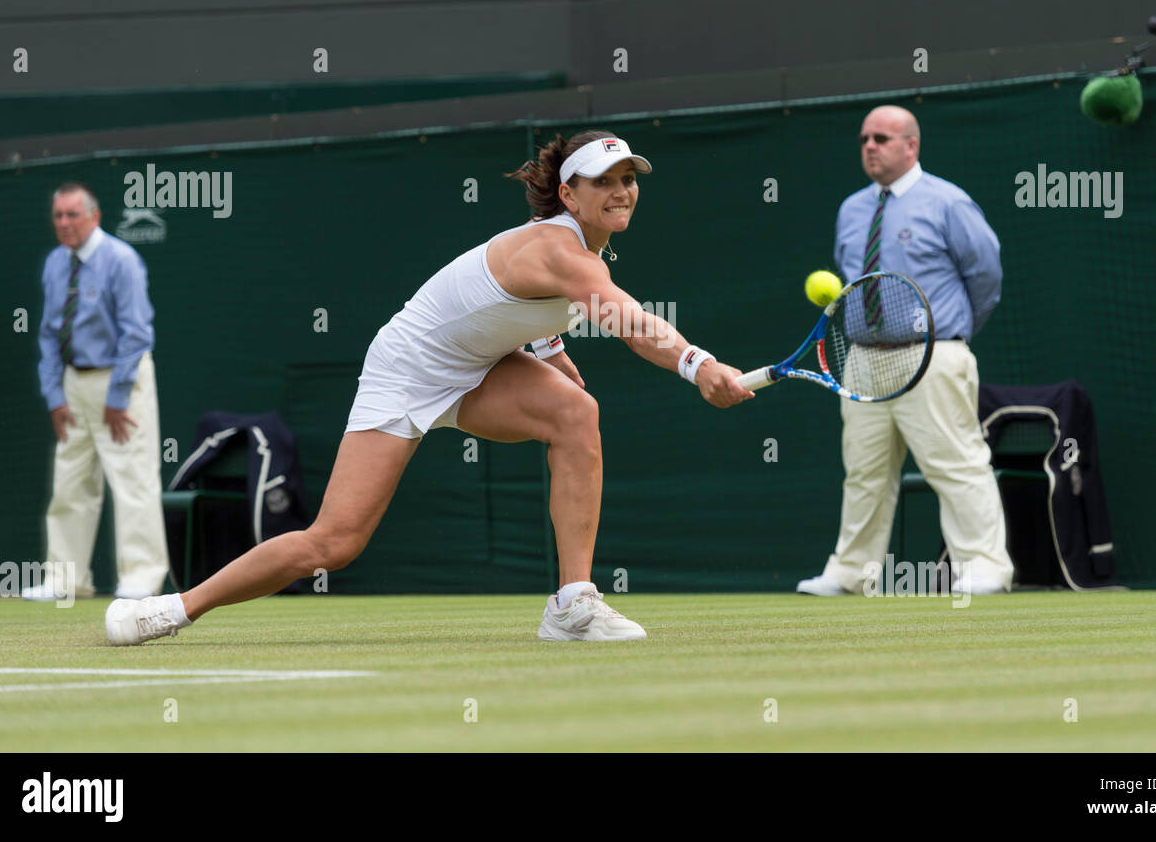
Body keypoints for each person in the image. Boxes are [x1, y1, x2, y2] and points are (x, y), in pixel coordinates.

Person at [107, 131, 753, 645]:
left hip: (479, 364)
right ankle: (174, 608)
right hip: (407, 368)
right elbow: (624, 318)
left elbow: (516, 301)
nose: (621, 191)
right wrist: (700, 365)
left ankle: (573, 604)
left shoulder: (582, 250)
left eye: (628, 179)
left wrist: (549, 348)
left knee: (576, 414)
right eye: (604, 181)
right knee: (334, 543)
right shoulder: (564, 252)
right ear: (569, 193)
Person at [796, 106, 1014, 596]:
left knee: (955, 463)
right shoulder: (851, 209)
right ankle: (852, 574)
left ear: (911, 145)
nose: (870, 146)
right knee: (865, 472)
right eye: (864, 139)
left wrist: (949, 337)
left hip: (932, 356)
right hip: (863, 361)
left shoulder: (948, 203)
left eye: (883, 138)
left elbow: (987, 278)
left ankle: (985, 567)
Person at [27, 183, 170, 602]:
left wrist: (118, 396)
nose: (65, 223)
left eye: (73, 214)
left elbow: (137, 332)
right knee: (70, 482)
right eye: (58, 216)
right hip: (74, 383)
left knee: (133, 478)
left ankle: (142, 578)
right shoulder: (55, 264)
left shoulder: (122, 260)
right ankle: (65, 580)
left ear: (95, 216)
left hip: (121, 380)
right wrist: (54, 396)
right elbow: (50, 334)